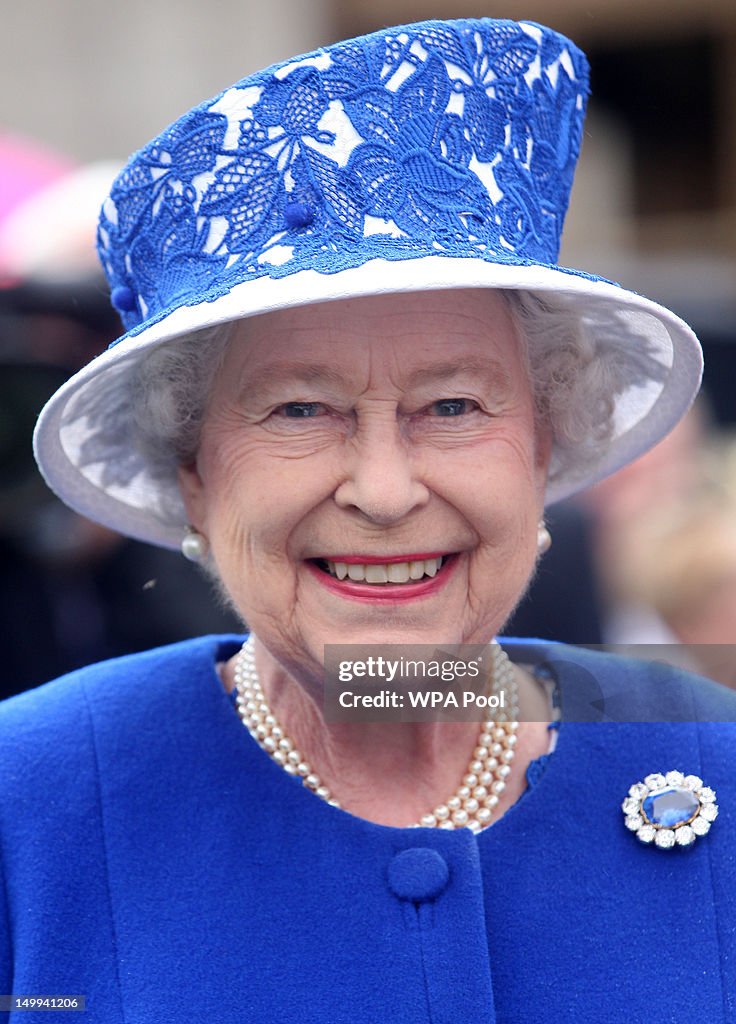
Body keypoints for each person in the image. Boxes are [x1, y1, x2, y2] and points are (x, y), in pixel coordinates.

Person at [2, 17, 734, 1023]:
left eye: (453, 406)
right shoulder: (28, 801)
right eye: (301, 409)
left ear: (540, 448)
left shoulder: (714, 759)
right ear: (194, 476)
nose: (384, 492)